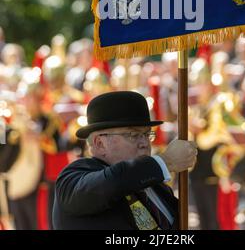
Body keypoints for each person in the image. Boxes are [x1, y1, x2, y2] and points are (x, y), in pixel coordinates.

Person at [53, 91, 197, 230]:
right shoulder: (73, 178)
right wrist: (166, 161)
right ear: (99, 143)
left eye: (147, 134)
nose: (144, 143)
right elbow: (112, 182)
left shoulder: (157, 186)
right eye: (133, 135)